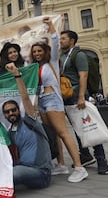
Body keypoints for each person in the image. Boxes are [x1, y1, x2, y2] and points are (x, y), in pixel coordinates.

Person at [30, 17, 88, 182]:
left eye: (39, 51)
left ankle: (79, 167)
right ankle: (61, 164)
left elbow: (55, 42)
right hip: (41, 101)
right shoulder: (36, 67)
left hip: (53, 100)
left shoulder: (52, 61)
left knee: (63, 132)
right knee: (53, 134)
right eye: (34, 52)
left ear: (45, 52)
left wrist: (50, 27)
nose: (37, 54)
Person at [60, 30, 108, 175]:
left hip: (78, 96)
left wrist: (82, 96)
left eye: (64, 38)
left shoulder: (79, 55)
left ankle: (102, 161)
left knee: (89, 127)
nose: (61, 41)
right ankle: (86, 156)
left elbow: (83, 76)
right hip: (68, 97)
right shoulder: (63, 56)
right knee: (77, 128)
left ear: (72, 41)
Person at [4, 62, 52, 189]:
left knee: (14, 173)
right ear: (5, 116)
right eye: (7, 112)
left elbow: (25, 98)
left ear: (19, 111)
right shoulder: (10, 133)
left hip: (41, 173)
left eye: (13, 110)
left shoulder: (30, 121)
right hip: (24, 169)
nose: (11, 113)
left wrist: (17, 75)